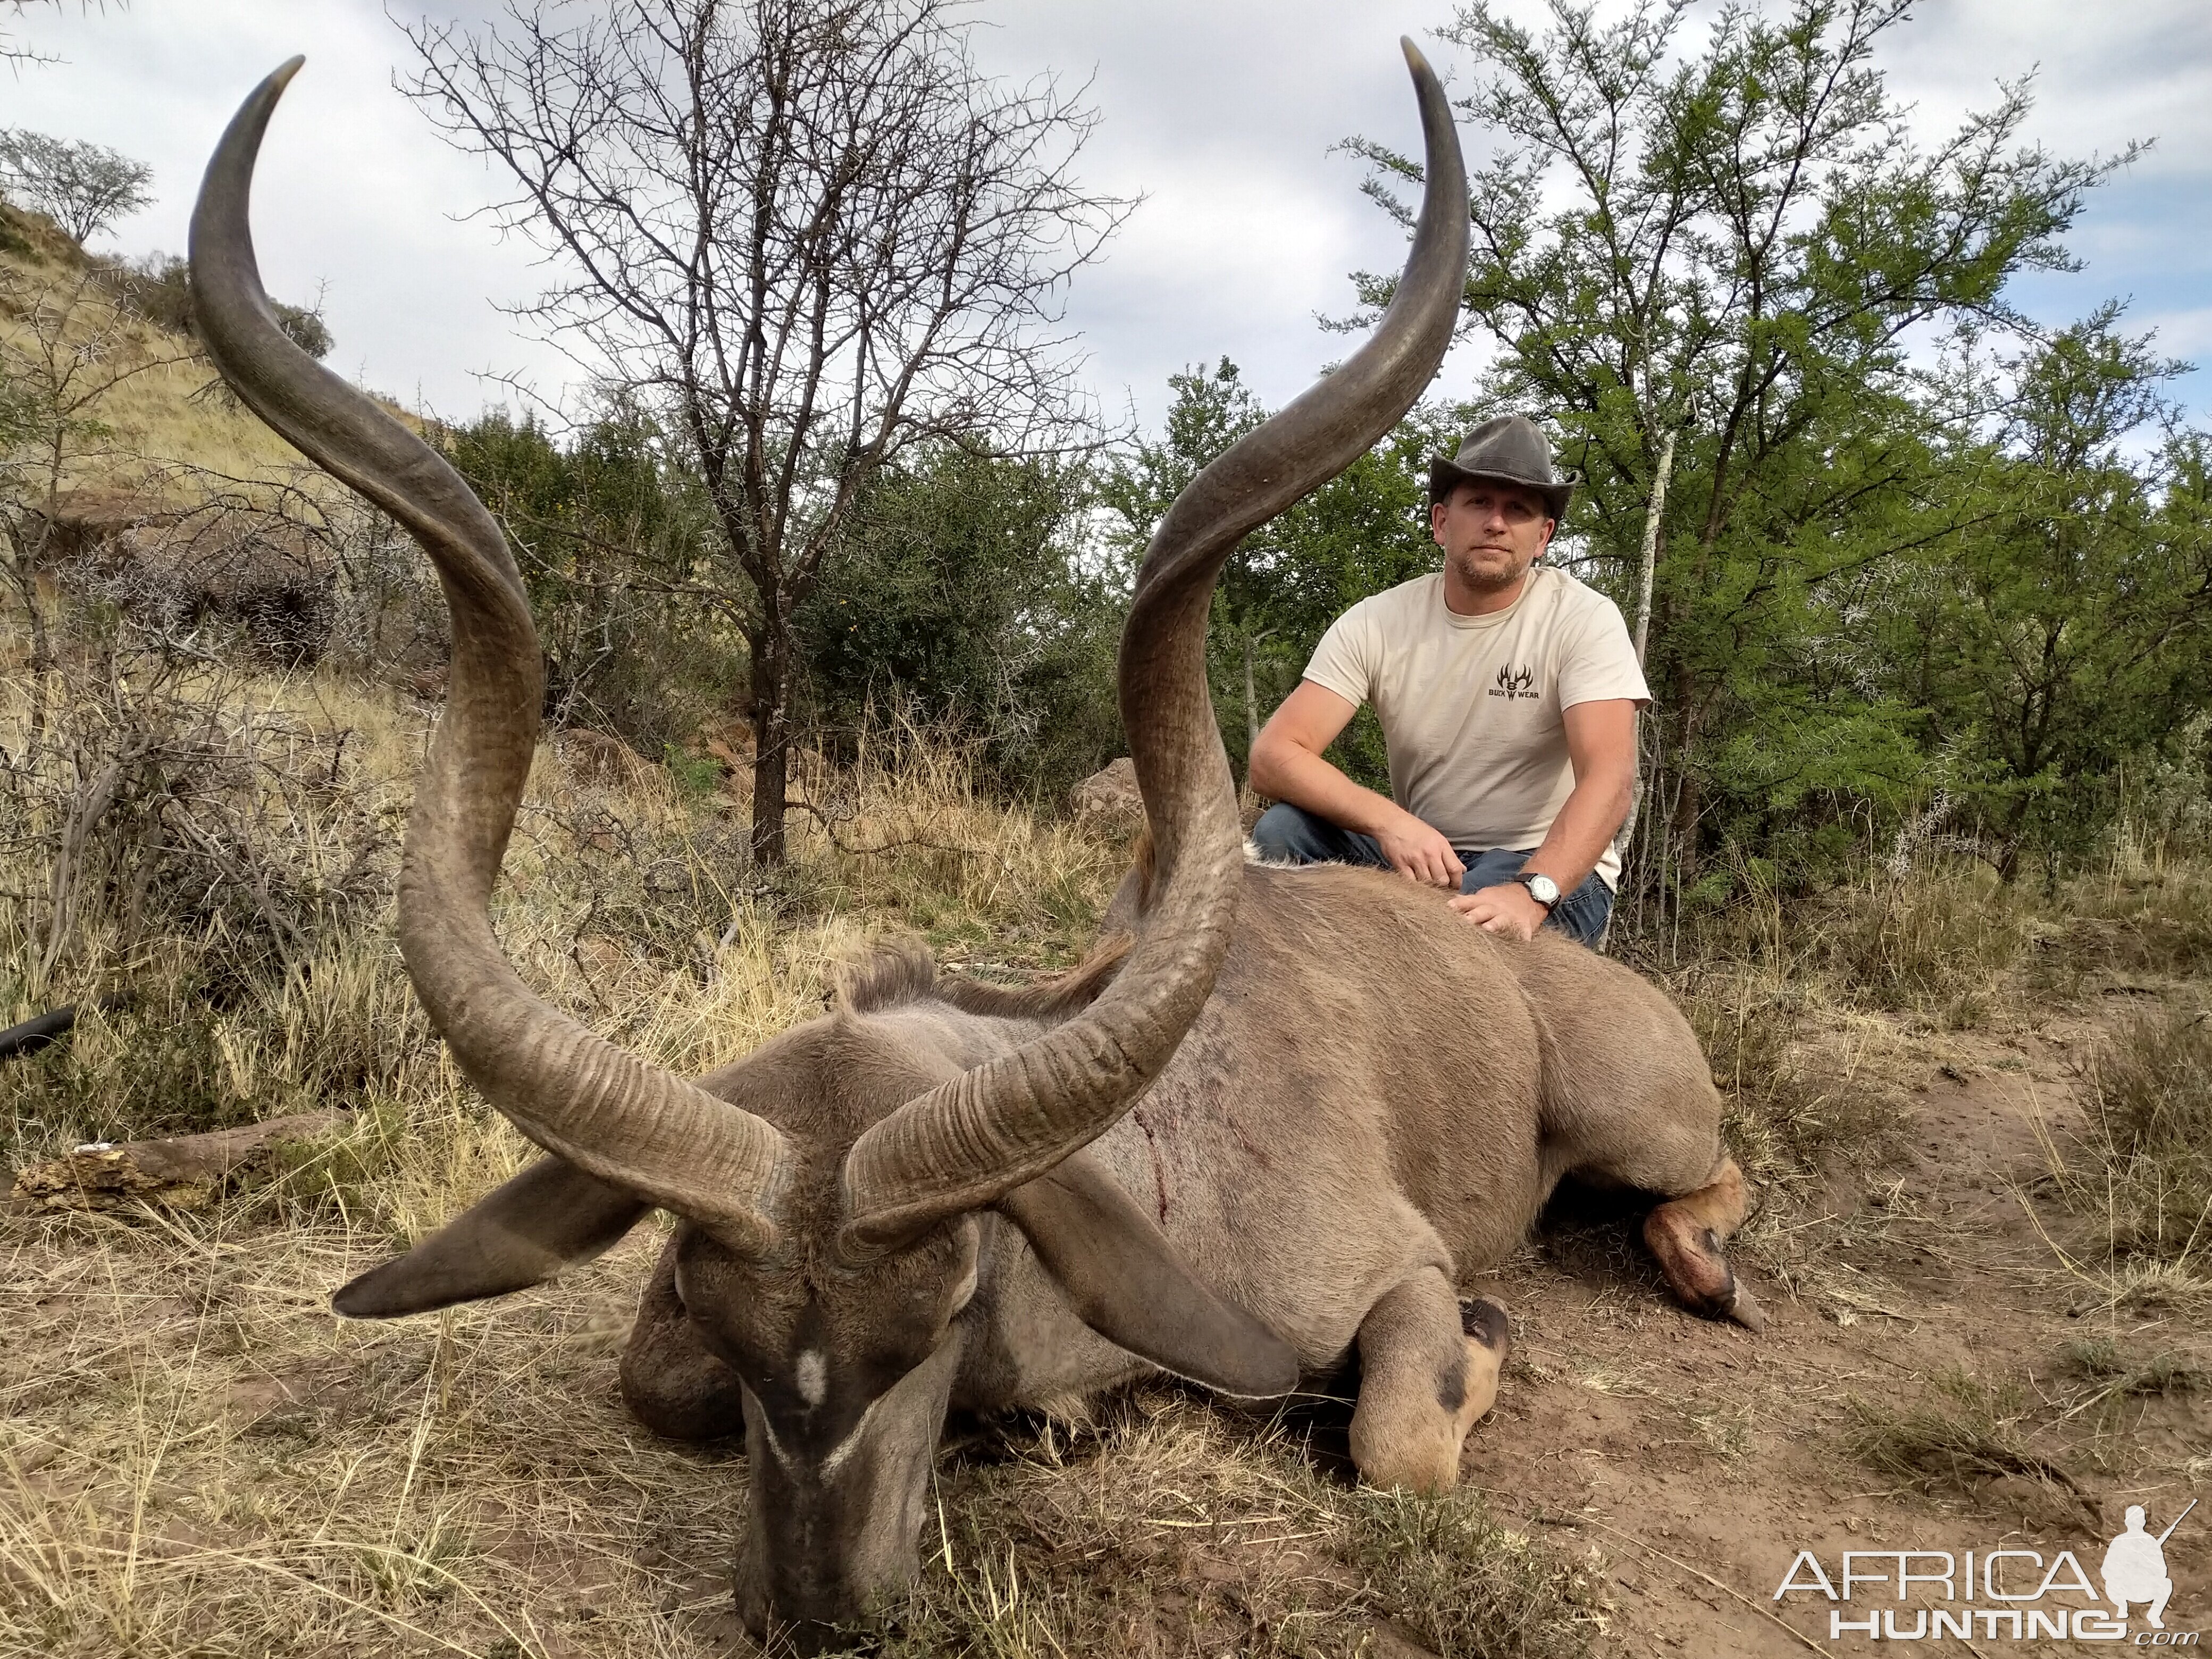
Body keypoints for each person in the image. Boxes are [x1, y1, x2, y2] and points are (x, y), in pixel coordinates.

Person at [1247, 414, 1647, 947]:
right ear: (1441, 522)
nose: (1496, 523)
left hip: (1540, 862)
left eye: (1518, 510)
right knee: (1282, 834)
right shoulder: (1376, 620)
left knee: (1445, 933)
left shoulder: (1583, 619)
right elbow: (1273, 756)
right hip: (1428, 854)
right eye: (1479, 502)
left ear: (1542, 536)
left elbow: (1609, 778)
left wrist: (1531, 892)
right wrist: (1392, 823)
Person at [2102, 1505, 2174, 1629]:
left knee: (2166, 1583)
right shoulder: (2120, 1541)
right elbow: (2106, 1571)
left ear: (2126, 1521)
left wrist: (2145, 1564)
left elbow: (2162, 1572)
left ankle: (2154, 1615)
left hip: (2143, 1590)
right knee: (2111, 1582)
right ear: (2144, 1522)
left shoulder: (2149, 1542)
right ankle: (2122, 1607)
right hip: (2124, 1589)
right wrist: (2125, 1568)